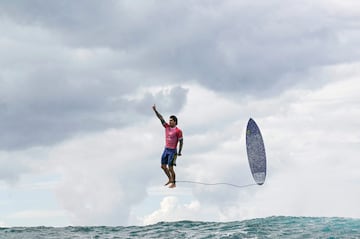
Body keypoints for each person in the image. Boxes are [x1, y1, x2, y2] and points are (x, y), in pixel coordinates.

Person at [152, 104, 183, 188]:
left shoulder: (178, 131)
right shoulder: (167, 127)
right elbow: (161, 118)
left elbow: (181, 142)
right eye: (169, 120)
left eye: (171, 121)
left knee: (170, 168)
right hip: (166, 149)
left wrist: (179, 152)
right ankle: (170, 179)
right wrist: (155, 111)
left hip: (173, 151)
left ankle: (174, 183)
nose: (169, 122)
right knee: (163, 166)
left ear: (175, 122)